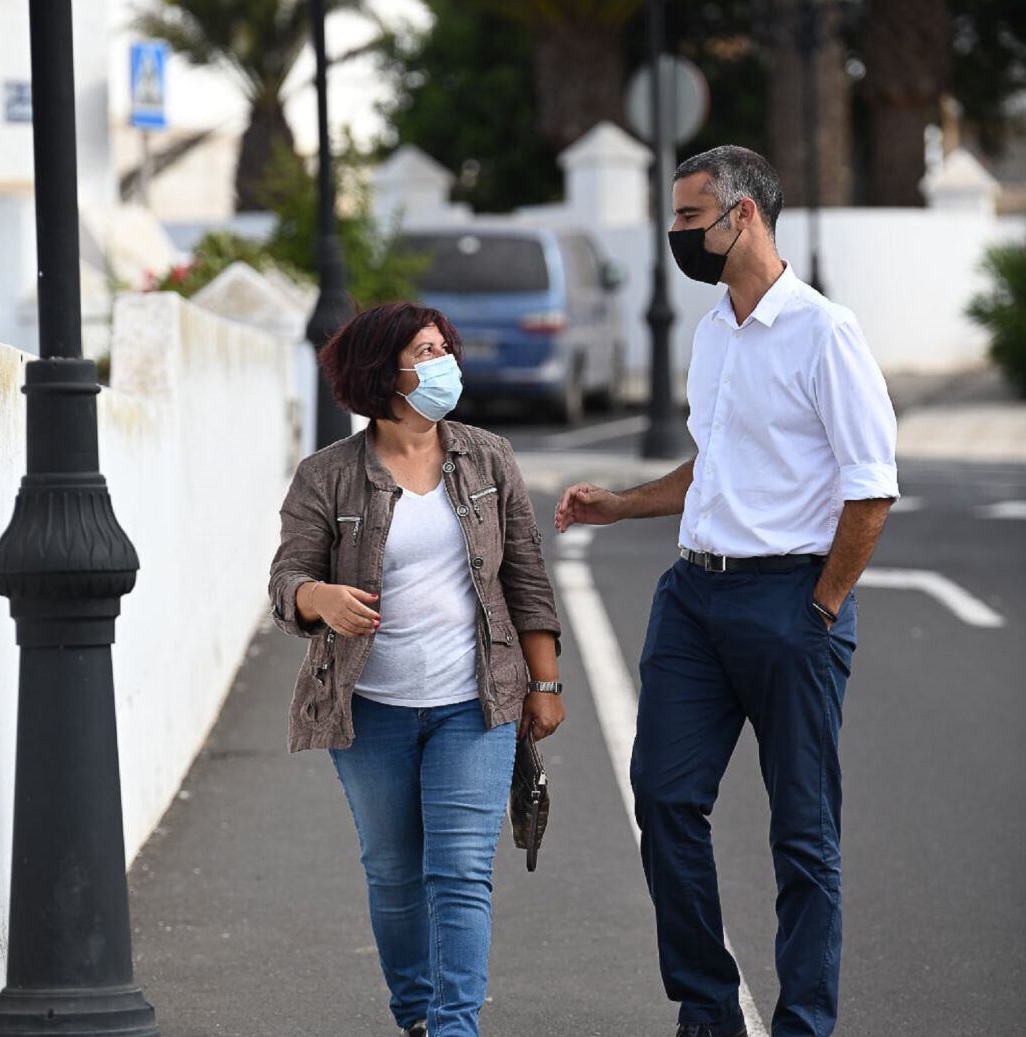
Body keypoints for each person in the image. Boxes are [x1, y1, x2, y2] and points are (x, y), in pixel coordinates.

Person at [555, 146, 898, 1037]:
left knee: (802, 834)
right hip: (694, 600)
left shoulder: (825, 332)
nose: (675, 234)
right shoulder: (714, 331)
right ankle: (708, 1010)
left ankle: (803, 1024)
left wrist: (820, 607)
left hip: (790, 602)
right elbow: (714, 465)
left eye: (687, 216)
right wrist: (620, 504)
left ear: (742, 215)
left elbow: (870, 488)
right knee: (664, 797)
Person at [268, 301, 564, 1037]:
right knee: (395, 876)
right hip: (368, 709)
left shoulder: (487, 457)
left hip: (476, 702)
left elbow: (525, 574)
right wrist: (319, 597)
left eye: (444, 348)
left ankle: (454, 1025)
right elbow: (286, 580)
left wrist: (545, 680)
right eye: (424, 352)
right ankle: (417, 1015)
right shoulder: (327, 476)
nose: (443, 364)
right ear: (382, 372)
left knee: (460, 872)